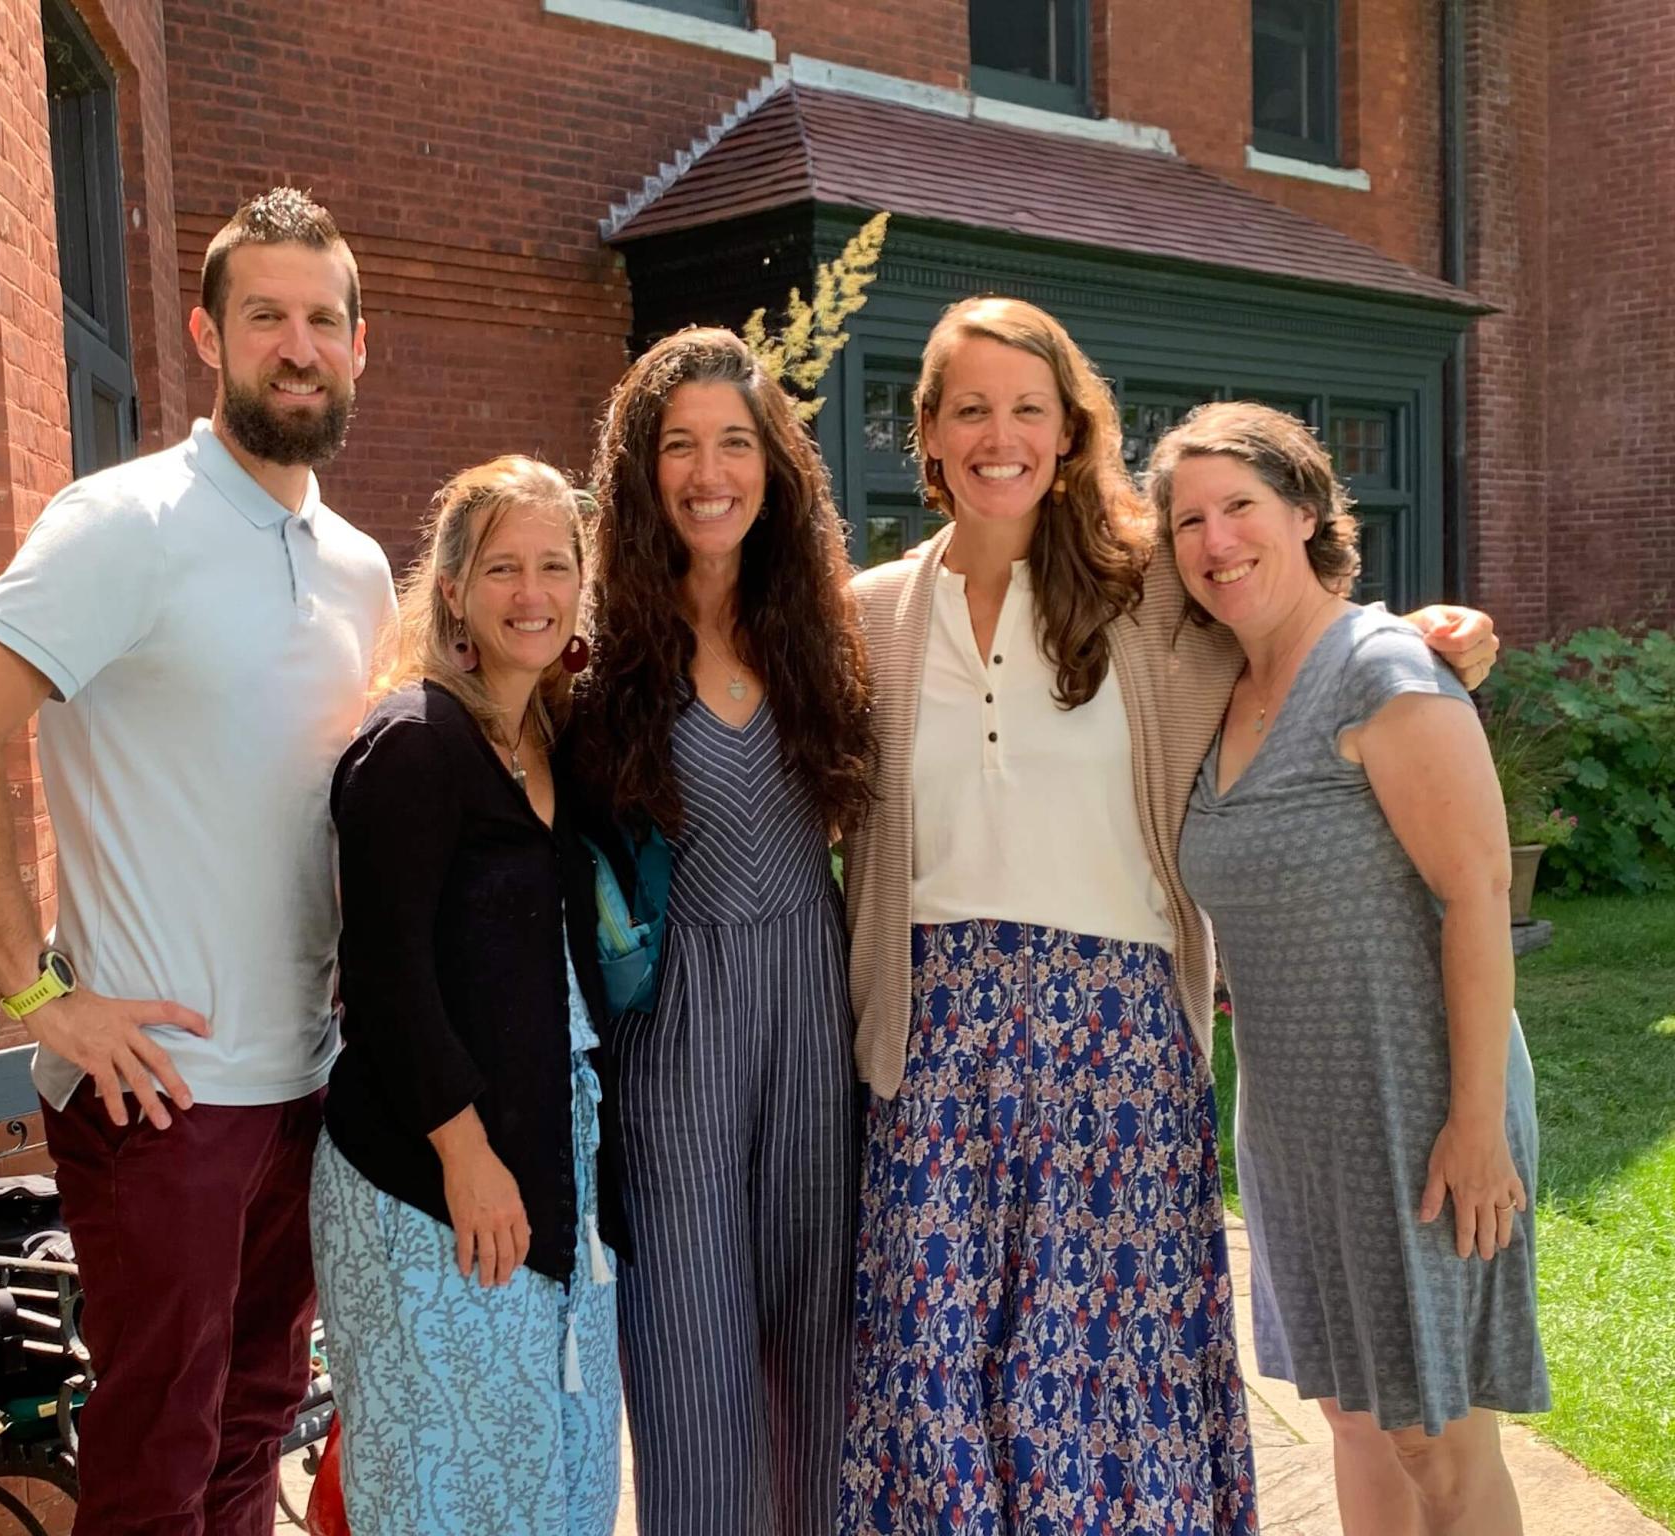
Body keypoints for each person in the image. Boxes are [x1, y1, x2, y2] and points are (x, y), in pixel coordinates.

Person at [837, 295, 1498, 1535]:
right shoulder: (867, 616)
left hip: (1119, 1042)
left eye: (1031, 407)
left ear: (1072, 430)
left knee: (1107, 1384)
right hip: (931, 1046)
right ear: (926, 435)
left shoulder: (1148, 600)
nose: (1001, 434)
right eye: (970, 408)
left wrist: (1418, 640)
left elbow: (1295, 636)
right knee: (937, 1380)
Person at [0, 188, 394, 1536]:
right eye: (266, 316)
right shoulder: (126, 524)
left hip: (306, 1085)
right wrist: (40, 997)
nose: (297, 344)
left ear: (358, 345)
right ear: (206, 335)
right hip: (158, 1097)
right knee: (154, 1461)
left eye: (322, 320)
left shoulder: (358, 569)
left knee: (254, 1429)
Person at [1157, 402, 1546, 1536]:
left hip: (1419, 1107)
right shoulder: (1216, 691)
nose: (1216, 541)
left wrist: (1475, 1126)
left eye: (1241, 508)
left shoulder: (1382, 668)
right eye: (1189, 521)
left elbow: (1477, 898)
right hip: (1295, 1120)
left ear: (1310, 513)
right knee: (1353, 1418)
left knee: (1437, 1435)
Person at [572, 327, 875, 1536]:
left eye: (736, 443)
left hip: (811, 1013)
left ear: (775, 467)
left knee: (825, 1365)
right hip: (673, 1038)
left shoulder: (831, 625)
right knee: (692, 1369)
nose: (710, 473)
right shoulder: (594, 653)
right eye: (680, 445)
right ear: (643, 471)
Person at [314, 455, 625, 1535]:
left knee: (554, 1479)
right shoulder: (415, 745)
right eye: (503, 568)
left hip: (550, 1164)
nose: (532, 594)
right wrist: (466, 1155)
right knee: (442, 1494)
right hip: (428, 1183)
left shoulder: (551, 737)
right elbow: (386, 980)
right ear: (453, 587)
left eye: (555, 565)